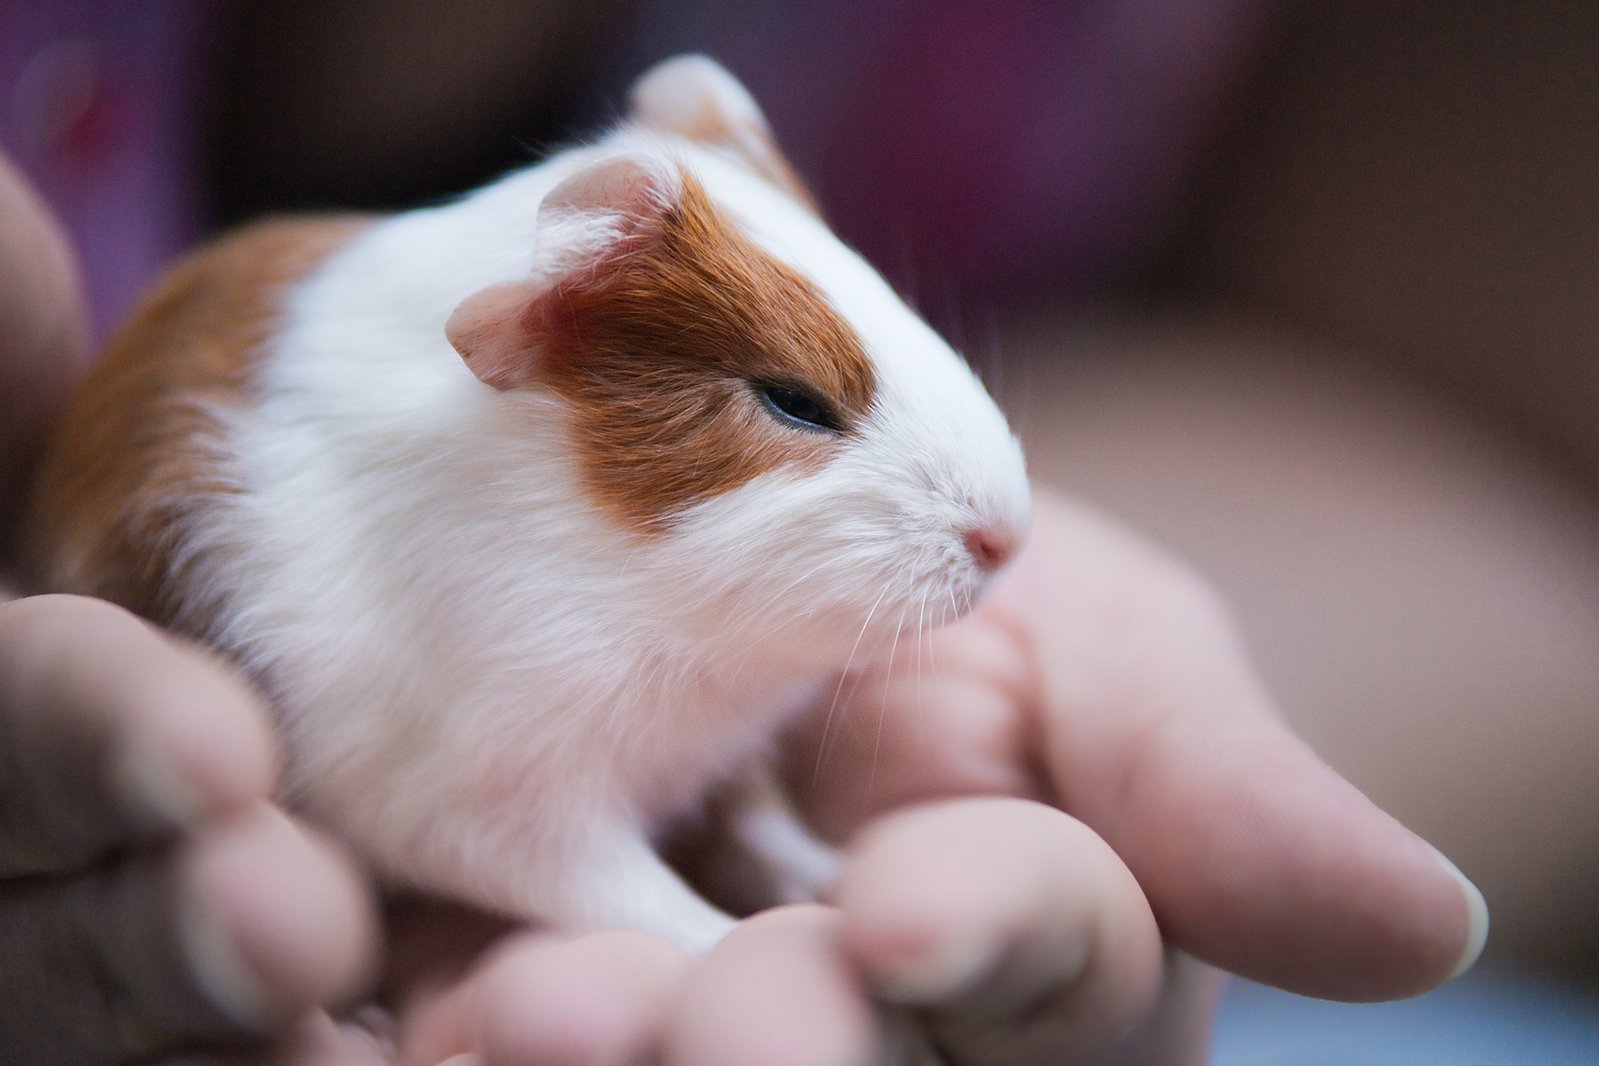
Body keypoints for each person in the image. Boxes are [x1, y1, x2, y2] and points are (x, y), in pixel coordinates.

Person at [0, 144, 1483, 1063]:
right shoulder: (443, 535)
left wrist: (760, 829)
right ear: (548, 344)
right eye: (792, 401)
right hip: (205, 756)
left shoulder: (716, 583)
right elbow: (474, 811)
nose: (990, 523)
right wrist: (699, 933)